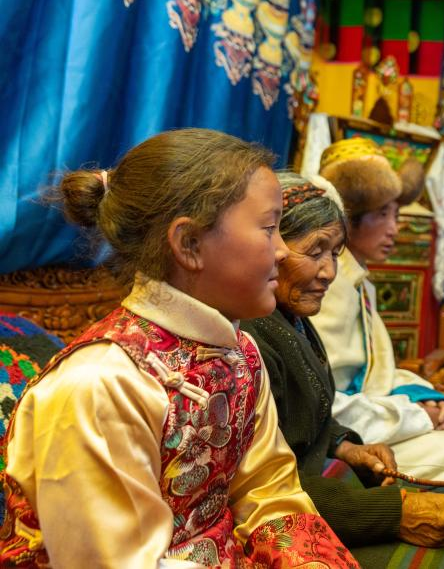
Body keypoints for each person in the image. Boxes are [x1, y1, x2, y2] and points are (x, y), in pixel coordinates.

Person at [0, 129, 355, 567]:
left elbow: (269, 492)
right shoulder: (99, 387)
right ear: (189, 244)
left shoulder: (239, 353)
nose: (282, 251)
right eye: (269, 229)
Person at [241, 171, 444, 568]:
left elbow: (309, 412)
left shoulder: (292, 318)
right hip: (282, 518)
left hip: (317, 482)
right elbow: (263, 484)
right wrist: (392, 513)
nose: (329, 272)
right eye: (314, 252)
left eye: (334, 254)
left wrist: (346, 444)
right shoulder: (249, 337)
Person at [311, 138, 444, 514]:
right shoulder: (328, 287)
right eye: (383, 214)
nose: (395, 229)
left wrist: (426, 399)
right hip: (349, 440)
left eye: (397, 214)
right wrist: (419, 416)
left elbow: (373, 373)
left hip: (377, 419)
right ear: (348, 218)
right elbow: (328, 401)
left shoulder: (357, 280)